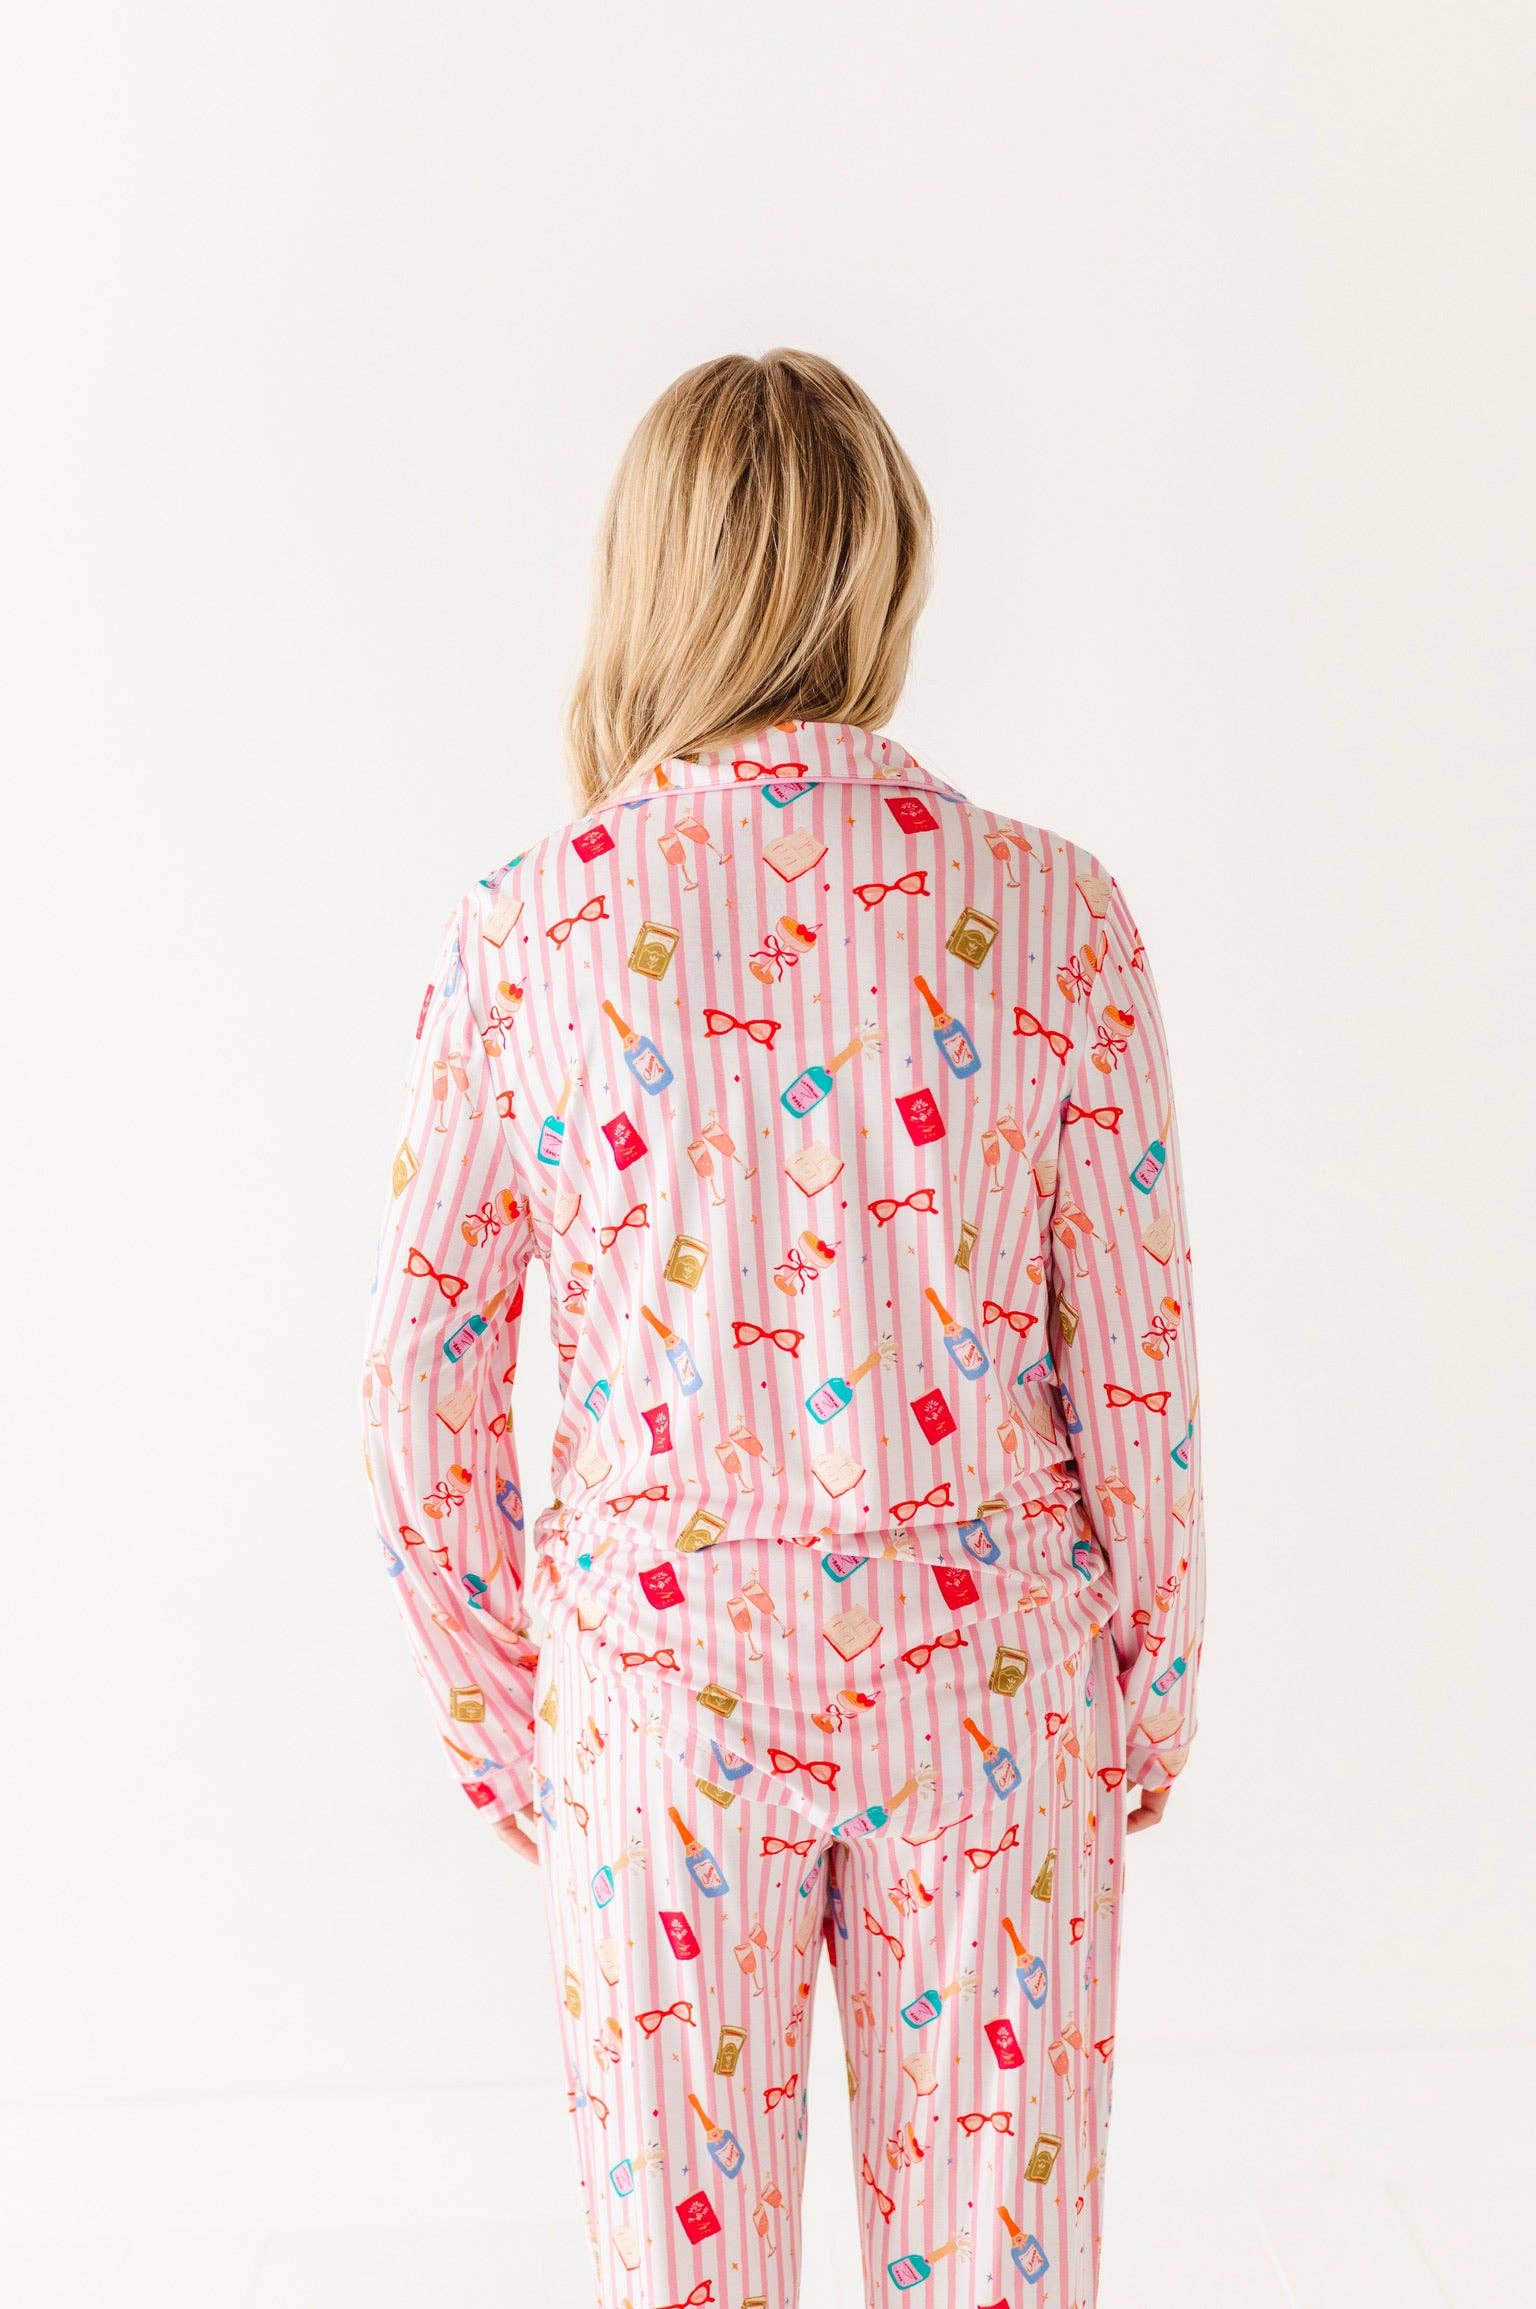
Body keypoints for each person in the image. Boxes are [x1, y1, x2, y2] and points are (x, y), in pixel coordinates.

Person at [358, 348, 1206, 2308]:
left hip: (661, 1694)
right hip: (993, 1681)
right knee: (999, 2272)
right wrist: (1146, 1689)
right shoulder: (1053, 913)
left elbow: (419, 1381)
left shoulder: (533, 929)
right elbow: (1134, 1360)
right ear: (881, 569)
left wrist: (518, 1722)